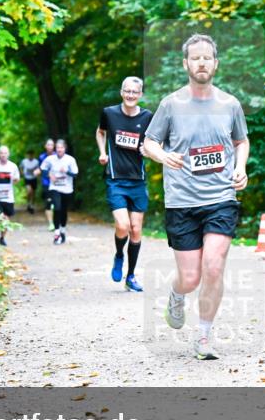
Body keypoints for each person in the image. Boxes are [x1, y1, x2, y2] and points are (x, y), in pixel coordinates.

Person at [142, 34, 249, 360]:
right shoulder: (171, 104)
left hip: (221, 197)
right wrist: (163, 156)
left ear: (216, 63)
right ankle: (177, 294)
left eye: (207, 58)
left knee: (213, 266)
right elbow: (149, 142)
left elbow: (241, 141)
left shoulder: (230, 104)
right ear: (185, 64)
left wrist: (240, 167)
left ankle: (203, 337)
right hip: (182, 201)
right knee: (190, 277)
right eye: (195, 58)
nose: (201, 63)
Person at [96, 76, 152, 292]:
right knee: (123, 226)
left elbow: (155, 142)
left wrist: (148, 150)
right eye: (127, 91)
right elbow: (100, 132)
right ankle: (119, 254)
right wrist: (102, 152)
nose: (130, 95)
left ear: (140, 94)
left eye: (134, 92)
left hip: (137, 180)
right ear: (121, 92)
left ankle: (130, 276)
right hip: (116, 179)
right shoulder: (109, 113)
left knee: (136, 230)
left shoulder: (147, 117)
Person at [40, 139, 78, 245]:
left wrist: (67, 171)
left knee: (64, 211)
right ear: (55, 149)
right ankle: (57, 233)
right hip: (54, 188)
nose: (59, 149)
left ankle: (63, 230)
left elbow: (75, 174)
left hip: (67, 189)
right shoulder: (50, 159)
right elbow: (43, 169)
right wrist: (49, 175)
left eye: (61, 147)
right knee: (57, 208)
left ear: (65, 149)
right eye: (57, 147)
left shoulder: (70, 160)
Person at [36, 139, 55, 230]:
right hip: (46, 182)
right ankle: (51, 223)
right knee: (48, 203)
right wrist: (37, 171)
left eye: (51, 145)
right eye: (48, 145)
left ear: (54, 146)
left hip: (57, 183)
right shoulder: (42, 157)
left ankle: (57, 221)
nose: (50, 147)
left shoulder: (57, 155)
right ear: (45, 146)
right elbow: (40, 168)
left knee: (56, 204)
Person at [20, 149, 40, 213]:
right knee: (29, 191)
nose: (30, 156)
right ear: (27, 155)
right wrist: (22, 174)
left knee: (33, 193)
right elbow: (21, 167)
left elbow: (38, 169)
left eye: (31, 155)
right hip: (27, 178)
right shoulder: (24, 161)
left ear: (33, 155)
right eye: (29, 155)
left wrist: (37, 174)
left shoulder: (36, 162)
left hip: (34, 178)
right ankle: (28, 203)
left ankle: (32, 205)